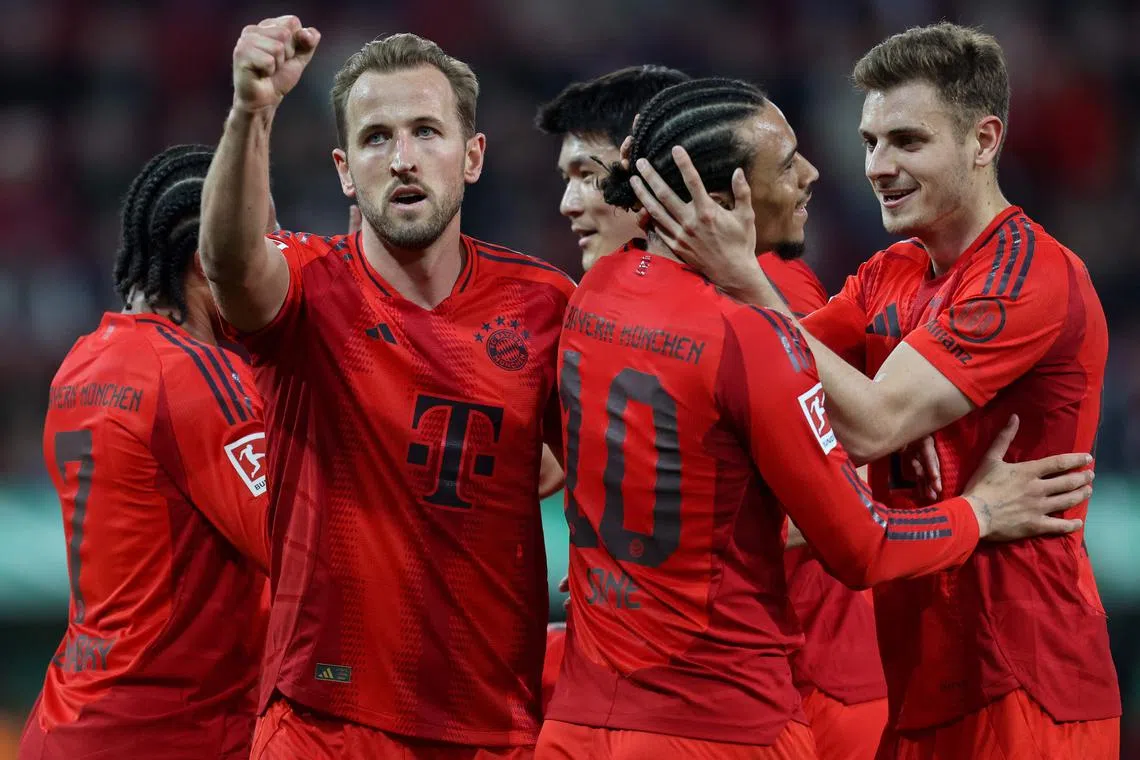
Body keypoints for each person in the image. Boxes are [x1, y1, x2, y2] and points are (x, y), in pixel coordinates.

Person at [537, 76, 1092, 760]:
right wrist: (979, 512)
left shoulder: (590, 295)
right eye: (787, 162)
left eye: (588, 176)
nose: (814, 173)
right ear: (726, 198)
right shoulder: (758, 324)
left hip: (589, 716)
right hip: (727, 720)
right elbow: (858, 540)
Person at [199, 17, 574, 759]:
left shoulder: (545, 306)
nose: (403, 158)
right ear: (344, 169)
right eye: (376, 138)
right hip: (324, 721)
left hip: (494, 726)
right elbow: (230, 266)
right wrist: (253, 111)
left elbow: (600, 475)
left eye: (426, 132)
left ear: (472, 157)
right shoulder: (308, 286)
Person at [536, 66, 888, 756]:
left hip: (804, 683)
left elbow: (850, 477)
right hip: (702, 692)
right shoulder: (626, 298)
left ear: (659, 179)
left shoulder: (763, 286)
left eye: (590, 174)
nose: (574, 203)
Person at [19, 145, 272, 760]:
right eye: (263, 242)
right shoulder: (194, 377)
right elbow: (297, 544)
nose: (277, 262)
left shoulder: (81, 363)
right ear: (209, 258)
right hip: (161, 733)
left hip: (69, 721)